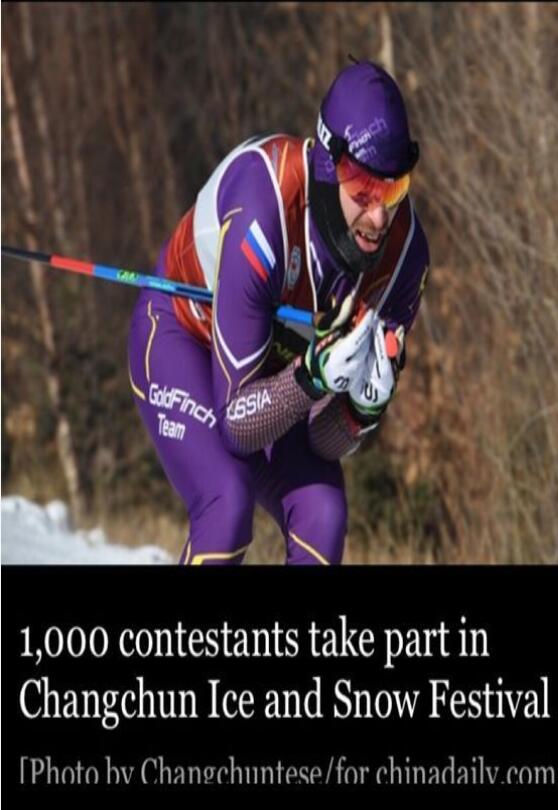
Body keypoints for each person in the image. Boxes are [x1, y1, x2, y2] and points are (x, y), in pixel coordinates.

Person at [127, 60, 430, 565]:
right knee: (227, 504)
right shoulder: (264, 209)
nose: (379, 217)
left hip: (271, 372)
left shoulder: (404, 261)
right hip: (182, 338)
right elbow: (236, 426)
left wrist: (359, 412)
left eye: (394, 191)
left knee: (324, 517)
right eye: (364, 193)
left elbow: (322, 441)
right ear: (331, 167)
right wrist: (312, 378)